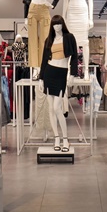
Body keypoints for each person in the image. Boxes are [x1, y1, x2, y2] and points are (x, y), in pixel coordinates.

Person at [40, 14, 80, 151]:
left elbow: (74, 57)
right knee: (51, 109)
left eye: (59, 24)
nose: (57, 26)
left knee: (57, 107)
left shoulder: (69, 37)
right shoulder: (49, 40)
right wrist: (41, 78)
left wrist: (73, 74)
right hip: (49, 73)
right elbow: (44, 60)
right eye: (55, 24)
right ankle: (57, 138)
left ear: (63, 25)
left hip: (61, 74)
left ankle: (65, 139)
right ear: (52, 26)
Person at [22, 0, 59, 73]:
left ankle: (44, 66)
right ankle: (35, 68)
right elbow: (26, 0)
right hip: (32, 10)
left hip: (44, 10)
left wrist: (52, 5)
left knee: (45, 39)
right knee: (32, 40)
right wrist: (25, 17)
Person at [61, 0, 94, 78]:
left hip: (83, 13)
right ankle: (68, 70)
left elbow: (90, 1)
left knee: (85, 42)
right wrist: (63, 17)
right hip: (71, 13)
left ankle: (86, 70)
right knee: (70, 43)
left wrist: (91, 18)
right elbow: (65, 0)